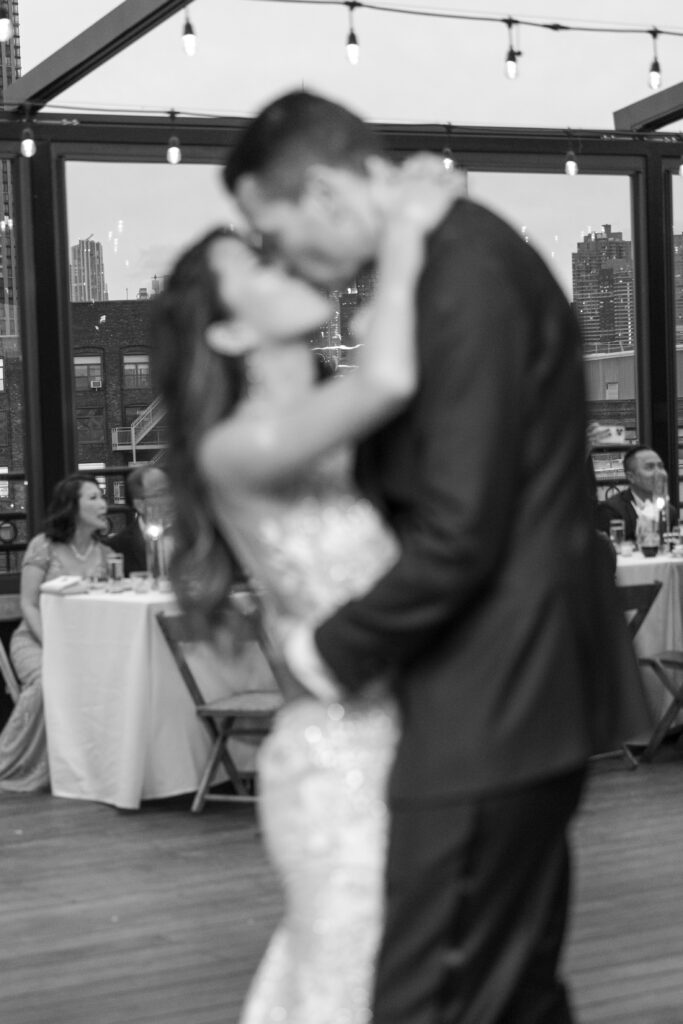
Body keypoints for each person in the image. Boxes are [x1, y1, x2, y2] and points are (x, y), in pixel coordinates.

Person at [224, 90, 649, 1024]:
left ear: (327, 188)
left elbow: (461, 529)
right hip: (504, 694)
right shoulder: (445, 261)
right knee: (509, 994)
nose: (286, 259)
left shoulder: (462, 273)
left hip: (487, 698)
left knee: (430, 996)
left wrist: (321, 653)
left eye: (278, 230)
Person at [152, 158, 462, 1024]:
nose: (279, 263)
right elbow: (392, 380)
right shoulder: (233, 449)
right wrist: (405, 227)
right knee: (353, 985)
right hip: (333, 765)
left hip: (417, 741)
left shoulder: (333, 431)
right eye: (252, 264)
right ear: (227, 335)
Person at [0, 473, 109, 792]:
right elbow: (28, 603)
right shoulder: (43, 546)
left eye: (101, 496)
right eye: (93, 497)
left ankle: (89, 765)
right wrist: (56, 646)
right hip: (36, 639)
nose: (103, 503)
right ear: (71, 507)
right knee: (51, 682)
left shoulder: (105, 554)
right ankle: (11, 761)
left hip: (84, 643)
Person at [596, 444, 678, 541]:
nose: (659, 473)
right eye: (649, 467)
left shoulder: (669, 511)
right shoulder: (611, 511)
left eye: (660, 466)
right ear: (631, 477)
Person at [106, 464, 171, 576]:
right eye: (161, 494)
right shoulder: (117, 547)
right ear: (140, 505)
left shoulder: (193, 536)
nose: (171, 499)